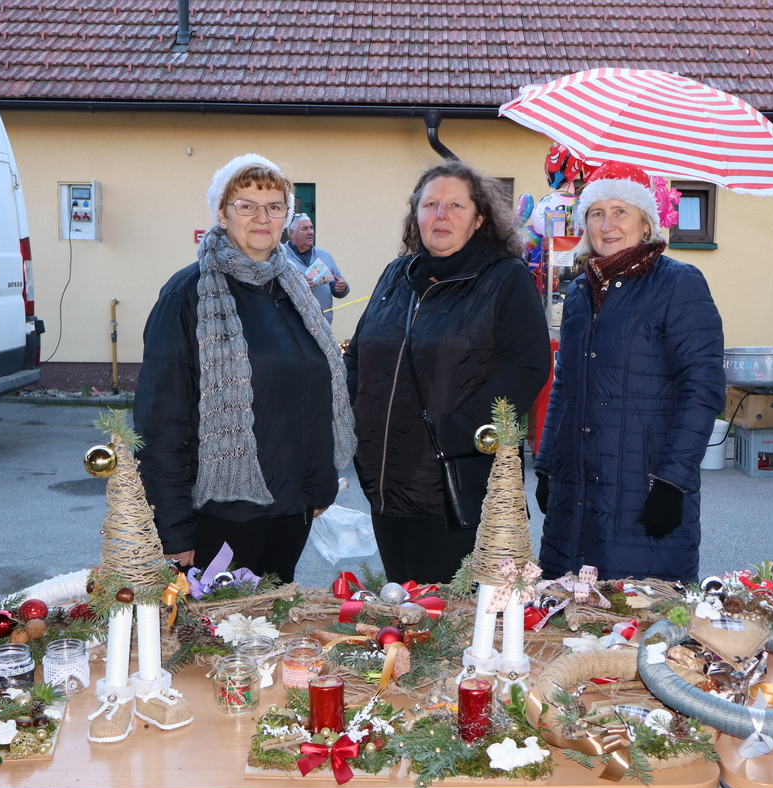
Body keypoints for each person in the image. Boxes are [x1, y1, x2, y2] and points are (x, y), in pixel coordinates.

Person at [134, 153, 357, 788]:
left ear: (288, 214)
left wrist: (318, 487)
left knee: (261, 645)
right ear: (221, 213)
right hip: (219, 512)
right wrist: (174, 530)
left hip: (287, 509)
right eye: (246, 204)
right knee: (212, 650)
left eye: (273, 204)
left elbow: (313, 394)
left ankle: (241, 753)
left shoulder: (293, 286)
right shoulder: (187, 294)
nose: (262, 217)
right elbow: (161, 417)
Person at [344, 161, 551, 585]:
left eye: (456, 205)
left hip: (454, 483)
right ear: (415, 213)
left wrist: (458, 432)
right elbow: (359, 354)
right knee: (402, 605)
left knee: (450, 612)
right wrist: (355, 421)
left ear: (479, 218)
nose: (441, 215)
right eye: (430, 204)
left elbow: (527, 365)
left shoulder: (504, 277)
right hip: (385, 481)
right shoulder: (396, 275)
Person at [534, 162, 725, 584]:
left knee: (638, 610)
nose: (608, 225)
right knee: (571, 610)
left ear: (646, 221)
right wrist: (546, 464)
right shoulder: (580, 291)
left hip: (644, 483)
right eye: (596, 213)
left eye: (621, 211)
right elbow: (564, 385)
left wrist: (673, 482)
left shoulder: (678, 284)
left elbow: (703, 389)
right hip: (576, 488)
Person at [283, 212, 349, 323]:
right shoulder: (281, 256)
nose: (310, 232)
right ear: (292, 233)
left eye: (311, 228)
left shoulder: (325, 256)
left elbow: (339, 286)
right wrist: (299, 286)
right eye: (305, 229)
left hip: (322, 324)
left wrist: (342, 287)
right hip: (292, 323)